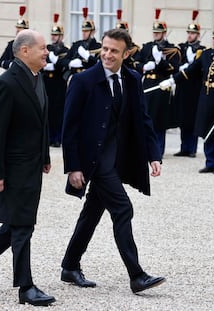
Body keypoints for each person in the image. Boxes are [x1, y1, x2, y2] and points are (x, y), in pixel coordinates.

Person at [60, 28, 165, 294]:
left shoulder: (132, 78)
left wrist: (153, 154)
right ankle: (137, 275)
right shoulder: (83, 81)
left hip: (119, 158)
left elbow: (143, 119)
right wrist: (73, 166)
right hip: (95, 161)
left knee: (92, 212)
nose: (107, 54)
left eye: (114, 51)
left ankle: (70, 266)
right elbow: (69, 127)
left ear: (126, 53)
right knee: (123, 209)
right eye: (104, 49)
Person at [0, 29, 55, 307]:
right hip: (14, 168)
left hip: (32, 165)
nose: (47, 53)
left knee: (19, 222)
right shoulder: (6, 84)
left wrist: (44, 155)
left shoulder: (36, 78)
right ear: (24, 51)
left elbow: (40, 121)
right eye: (42, 48)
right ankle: (26, 287)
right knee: (23, 226)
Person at [160, 12, 214, 174]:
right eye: (213, 38)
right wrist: (173, 80)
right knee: (207, 130)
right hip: (206, 96)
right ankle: (210, 161)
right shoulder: (206, 55)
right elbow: (190, 71)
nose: (213, 41)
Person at [135, 8, 181, 157]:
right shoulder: (147, 46)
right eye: (154, 32)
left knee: (159, 120)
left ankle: (158, 150)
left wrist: (160, 62)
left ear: (164, 33)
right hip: (147, 83)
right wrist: (144, 66)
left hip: (161, 85)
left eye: (158, 33)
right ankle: (145, 148)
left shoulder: (173, 49)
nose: (155, 35)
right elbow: (136, 62)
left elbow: (174, 68)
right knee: (145, 117)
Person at [173, 10, 205, 158]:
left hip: (194, 87)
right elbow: (174, 64)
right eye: (189, 33)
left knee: (192, 118)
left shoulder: (202, 50)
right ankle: (183, 147)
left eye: (193, 33)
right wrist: (181, 66)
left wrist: (193, 62)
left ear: (198, 35)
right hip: (182, 86)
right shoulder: (181, 48)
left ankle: (191, 148)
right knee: (182, 118)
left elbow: (201, 68)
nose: (190, 35)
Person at [43, 13, 69, 147]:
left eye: (56, 35)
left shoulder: (65, 50)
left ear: (61, 36)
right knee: (47, 110)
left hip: (59, 83)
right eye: (52, 34)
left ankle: (58, 138)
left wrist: (56, 62)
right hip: (47, 82)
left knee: (58, 111)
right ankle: (48, 138)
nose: (53, 37)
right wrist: (45, 66)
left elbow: (66, 65)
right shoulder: (46, 49)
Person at [61, 7, 101, 81]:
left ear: (92, 32)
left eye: (86, 31)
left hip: (90, 78)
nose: (83, 33)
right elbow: (63, 60)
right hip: (75, 77)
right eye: (83, 31)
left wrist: (88, 57)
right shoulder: (77, 45)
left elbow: (99, 64)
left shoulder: (98, 47)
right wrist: (70, 63)